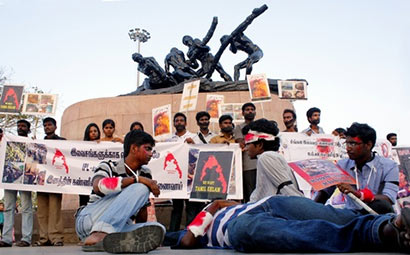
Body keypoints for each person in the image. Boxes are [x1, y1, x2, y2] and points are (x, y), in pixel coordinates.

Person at [171, 195, 410, 253]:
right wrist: (213, 207)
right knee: (297, 233)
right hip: (240, 225)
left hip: (270, 203)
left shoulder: (210, 215)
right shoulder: (195, 227)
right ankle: (388, 236)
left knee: (334, 216)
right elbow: (187, 240)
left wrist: (222, 204)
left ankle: (389, 226)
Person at [76, 130, 165, 253]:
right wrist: (137, 180)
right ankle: (99, 234)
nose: (151, 154)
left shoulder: (145, 173)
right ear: (134, 148)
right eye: (148, 149)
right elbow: (98, 186)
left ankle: (109, 239)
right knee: (140, 187)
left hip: (117, 226)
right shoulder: (108, 166)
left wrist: (142, 234)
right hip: (89, 219)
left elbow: (141, 212)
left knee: (158, 228)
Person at [315, 123, 399, 214]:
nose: (348, 148)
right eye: (347, 143)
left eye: (353, 144)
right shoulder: (341, 165)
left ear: (368, 145)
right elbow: (324, 193)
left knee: (382, 208)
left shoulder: (389, 166)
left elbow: (388, 199)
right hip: (350, 217)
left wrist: (360, 195)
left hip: (378, 217)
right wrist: (311, 210)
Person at [242, 119, 303, 202]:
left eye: (248, 143)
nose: (245, 148)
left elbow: (288, 190)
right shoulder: (270, 157)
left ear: (260, 145)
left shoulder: (266, 157)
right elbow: (259, 195)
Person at [0, 119, 33, 247]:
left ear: (28, 129)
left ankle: (26, 238)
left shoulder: (33, 142)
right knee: (8, 207)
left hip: (25, 179)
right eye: (18, 126)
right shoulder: (9, 142)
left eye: (23, 126)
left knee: (26, 208)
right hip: (10, 178)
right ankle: (7, 239)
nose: (20, 128)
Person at [35, 117, 65, 246]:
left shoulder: (63, 142)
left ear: (55, 126)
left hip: (55, 181)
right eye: (45, 125)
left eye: (49, 125)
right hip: (41, 180)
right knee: (42, 211)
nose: (47, 127)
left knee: (55, 210)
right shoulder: (38, 143)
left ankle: (56, 238)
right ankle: (44, 238)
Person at [166, 113, 197, 232]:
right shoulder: (169, 140)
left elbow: (201, 152)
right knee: (176, 207)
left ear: (186, 123)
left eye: (181, 120)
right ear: (174, 123)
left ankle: (190, 233)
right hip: (176, 178)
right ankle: (173, 233)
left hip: (190, 177)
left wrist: (193, 145)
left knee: (190, 207)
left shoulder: (194, 136)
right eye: (177, 121)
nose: (179, 122)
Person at [233, 102, 257, 202]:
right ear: (242, 113)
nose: (250, 111)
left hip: (262, 164)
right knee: (251, 195)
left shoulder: (260, 125)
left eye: (252, 109)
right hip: (248, 166)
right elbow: (241, 143)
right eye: (247, 110)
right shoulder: (239, 128)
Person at [80, 123, 101, 207]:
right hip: (84, 185)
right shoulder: (82, 147)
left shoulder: (104, 145)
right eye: (91, 131)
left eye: (95, 131)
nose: (93, 133)